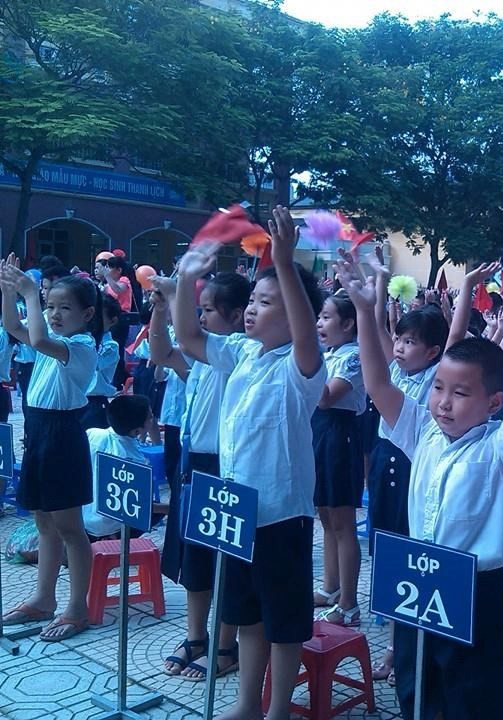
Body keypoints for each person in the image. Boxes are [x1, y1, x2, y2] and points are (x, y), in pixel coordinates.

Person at [335, 250, 503, 720]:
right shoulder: (422, 430)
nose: (444, 403)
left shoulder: (502, 449)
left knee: (475, 703)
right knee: (418, 694)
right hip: (421, 581)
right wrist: (367, 312)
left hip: (482, 593)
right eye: (439, 388)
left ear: (493, 402)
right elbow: (377, 382)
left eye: (461, 392)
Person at [172, 206, 326, 720]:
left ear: (296, 312)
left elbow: (306, 335)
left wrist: (283, 261)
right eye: (253, 301)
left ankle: (278, 708)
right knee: (245, 616)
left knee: (283, 623)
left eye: (266, 302)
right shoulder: (242, 353)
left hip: (281, 516)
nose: (253, 310)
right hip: (234, 512)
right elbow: (190, 339)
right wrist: (188, 283)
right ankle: (247, 706)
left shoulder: (300, 368)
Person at [152, 271, 250, 682]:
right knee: (194, 557)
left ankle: (227, 645)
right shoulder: (202, 358)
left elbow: (190, 337)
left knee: (226, 560)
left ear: (237, 315)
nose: (202, 317)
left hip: (227, 472)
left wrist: (178, 294)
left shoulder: (238, 355)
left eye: (208, 310)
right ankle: (196, 636)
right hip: (194, 465)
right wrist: (161, 308)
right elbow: (161, 353)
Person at [0, 261, 100, 642]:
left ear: (87, 314)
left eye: (64, 308)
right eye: (50, 306)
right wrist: (11, 292)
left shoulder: (80, 346)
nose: (54, 315)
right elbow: (14, 327)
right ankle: (43, 598)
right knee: (43, 521)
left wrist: (31, 293)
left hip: (62, 436)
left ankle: (77, 607)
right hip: (38, 431)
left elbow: (39, 339)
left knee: (70, 528)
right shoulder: (50, 337)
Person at [363, 260, 452, 683]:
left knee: (409, 557)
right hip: (385, 461)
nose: (399, 348)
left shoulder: (437, 376)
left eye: (410, 342)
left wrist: (462, 294)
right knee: (386, 553)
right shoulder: (396, 369)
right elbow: (379, 337)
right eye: (399, 339)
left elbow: (453, 335)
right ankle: (398, 643)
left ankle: (406, 648)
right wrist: (378, 290)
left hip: (414, 469)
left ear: (433, 352)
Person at [312, 291, 366, 627]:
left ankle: (349, 603)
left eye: (326, 317)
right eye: (318, 317)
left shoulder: (352, 357)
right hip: (318, 435)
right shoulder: (329, 353)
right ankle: (330, 588)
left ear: (348, 324)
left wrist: (309, 365)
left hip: (339, 436)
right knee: (326, 518)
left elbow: (327, 398)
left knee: (344, 523)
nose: (319, 323)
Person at [82, 394, 152, 540]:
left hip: (83, 516)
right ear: (136, 431)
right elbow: (138, 504)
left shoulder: (92, 434)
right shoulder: (132, 458)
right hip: (106, 525)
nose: (153, 419)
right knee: (161, 510)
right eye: (150, 417)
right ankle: (112, 538)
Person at [81, 295, 122, 430]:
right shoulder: (83, 339)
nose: (93, 319)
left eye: (98, 315)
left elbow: (91, 364)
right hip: (76, 400)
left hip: (94, 403)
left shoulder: (111, 346)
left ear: (112, 321)